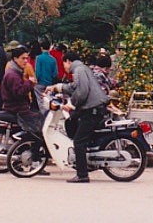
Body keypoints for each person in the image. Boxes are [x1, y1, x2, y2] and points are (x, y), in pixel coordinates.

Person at [46, 52, 109, 183]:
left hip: (92, 109)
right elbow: (74, 87)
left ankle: (82, 175)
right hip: (94, 108)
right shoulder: (82, 68)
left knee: (78, 141)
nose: (64, 67)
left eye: (63, 63)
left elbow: (82, 92)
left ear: (68, 61)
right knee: (73, 121)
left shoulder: (79, 70)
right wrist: (57, 88)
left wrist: (71, 104)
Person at [1, 46, 47, 174]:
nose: (26, 61)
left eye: (27, 58)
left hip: (19, 107)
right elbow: (19, 92)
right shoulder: (12, 74)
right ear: (15, 59)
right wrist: (29, 83)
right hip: (18, 109)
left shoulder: (16, 72)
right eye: (23, 58)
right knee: (39, 130)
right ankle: (36, 162)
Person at [34, 39, 58, 114]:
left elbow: (37, 72)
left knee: (41, 101)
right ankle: (49, 114)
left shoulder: (39, 58)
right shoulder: (53, 59)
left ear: (41, 48)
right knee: (49, 100)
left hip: (40, 83)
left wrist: (35, 82)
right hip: (49, 84)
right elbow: (55, 73)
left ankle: (44, 115)